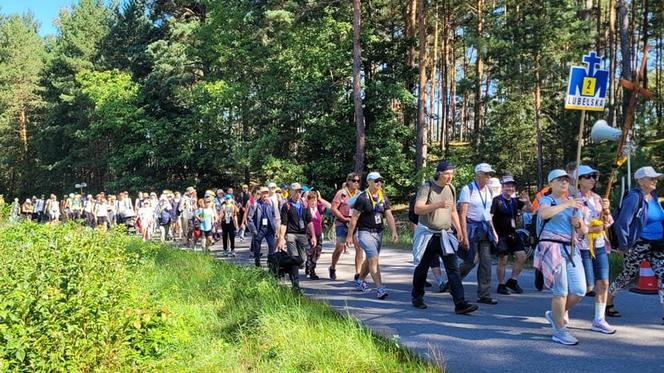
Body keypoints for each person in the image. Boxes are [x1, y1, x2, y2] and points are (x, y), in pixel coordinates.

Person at [411, 161, 478, 314]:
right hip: (428, 234)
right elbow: (418, 209)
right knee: (422, 267)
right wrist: (437, 205)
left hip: (444, 234)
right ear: (439, 173)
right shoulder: (427, 187)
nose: (450, 177)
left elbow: (453, 210)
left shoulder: (451, 188)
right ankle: (417, 297)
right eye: (447, 174)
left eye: (452, 174)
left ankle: (460, 303)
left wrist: (459, 229)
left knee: (453, 268)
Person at [535, 169, 586, 346]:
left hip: (571, 248)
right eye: (559, 180)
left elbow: (583, 231)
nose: (564, 183)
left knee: (580, 290)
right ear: (551, 184)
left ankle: (555, 314)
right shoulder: (547, 200)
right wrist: (566, 205)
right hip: (552, 247)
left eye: (566, 180)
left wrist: (578, 224)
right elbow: (543, 214)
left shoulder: (574, 204)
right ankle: (559, 330)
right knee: (561, 291)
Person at [606, 166, 664, 323]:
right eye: (651, 178)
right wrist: (624, 246)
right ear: (640, 181)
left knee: (663, 275)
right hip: (639, 243)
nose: (655, 181)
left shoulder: (654, 196)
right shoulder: (633, 197)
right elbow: (622, 223)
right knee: (628, 275)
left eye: (655, 178)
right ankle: (608, 300)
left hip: (657, 244)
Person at [572, 165, 616, 334]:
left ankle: (599, 319)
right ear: (579, 180)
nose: (592, 179)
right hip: (583, 246)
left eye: (594, 176)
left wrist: (606, 210)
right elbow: (575, 225)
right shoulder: (573, 199)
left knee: (603, 282)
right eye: (588, 176)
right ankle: (561, 309)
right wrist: (590, 229)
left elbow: (608, 222)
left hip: (599, 245)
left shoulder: (598, 198)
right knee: (588, 287)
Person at [347, 172, 399, 300]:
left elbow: (389, 215)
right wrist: (349, 235)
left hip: (378, 232)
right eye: (376, 181)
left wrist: (394, 231)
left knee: (371, 259)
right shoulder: (363, 198)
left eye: (380, 181)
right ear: (369, 182)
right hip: (364, 232)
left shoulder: (383, 197)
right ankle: (380, 289)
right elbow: (354, 218)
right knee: (374, 258)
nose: (379, 183)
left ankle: (359, 281)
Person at [458, 163, 500, 305]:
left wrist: (493, 231)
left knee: (486, 262)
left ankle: (484, 294)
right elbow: (462, 214)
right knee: (470, 261)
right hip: (471, 228)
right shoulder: (467, 189)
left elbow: (488, 214)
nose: (489, 177)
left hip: (484, 228)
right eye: (486, 174)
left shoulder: (489, 191)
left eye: (490, 174)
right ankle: (454, 281)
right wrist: (463, 235)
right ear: (478, 175)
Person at [491, 174, 532, 295]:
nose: (510, 188)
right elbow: (490, 217)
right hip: (501, 234)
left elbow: (530, 210)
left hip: (513, 233)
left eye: (512, 186)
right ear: (502, 187)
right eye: (507, 186)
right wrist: (494, 234)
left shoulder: (515, 201)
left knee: (522, 256)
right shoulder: (497, 200)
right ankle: (501, 284)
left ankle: (512, 281)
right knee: (503, 260)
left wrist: (528, 201)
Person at [276, 182, 317, 291]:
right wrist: (281, 239)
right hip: (290, 234)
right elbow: (283, 223)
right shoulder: (287, 206)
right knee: (294, 258)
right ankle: (295, 285)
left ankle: (285, 269)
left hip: (302, 234)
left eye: (299, 191)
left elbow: (309, 221)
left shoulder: (305, 205)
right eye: (295, 191)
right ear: (291, 192)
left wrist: (313, 236)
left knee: (302, 260)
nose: (298, 193)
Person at [329, 172, 364, 281]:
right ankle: (333, 267)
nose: (356, 183)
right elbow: (333, 208)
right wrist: (343, 218)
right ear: (348, 181)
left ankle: (358, 273)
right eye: (354, 181)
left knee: (359, 247)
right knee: (340, 246)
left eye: (358, 181)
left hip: (355, 223)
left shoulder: (360, 194)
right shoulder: (342, 193)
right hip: (342, 222)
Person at [249, 187, 278, 267]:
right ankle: (257, 263)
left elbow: (274, 215)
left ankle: (271, 263)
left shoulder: (271, 203)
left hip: (269, 228)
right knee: (257, 244)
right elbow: (250, 217)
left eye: (266, 193)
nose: (265, 195)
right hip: (260, 228)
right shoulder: (255, 204)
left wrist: (276, 227)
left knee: (272, 246)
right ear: (260, 194)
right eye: (263, 193)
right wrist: (253, 229)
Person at [305, 191, 331, 280]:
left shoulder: (319, 208)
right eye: (311, 200)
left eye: (314, 200)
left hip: (319, 233)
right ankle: (311, 270)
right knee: (310, 252)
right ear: (308, 201)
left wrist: (320, 199)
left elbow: (329, 206)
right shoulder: (306, 209)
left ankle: (310, 266)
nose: (313, 202)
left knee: (318, 252)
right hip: (308, 234)